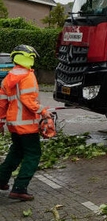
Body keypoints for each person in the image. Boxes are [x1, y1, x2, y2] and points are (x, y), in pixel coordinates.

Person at [0, 45, 50, 201]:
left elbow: (2, 103)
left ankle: (1, 180)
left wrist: (0, 122)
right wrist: (44, 111)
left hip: (13, 124)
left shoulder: (8, 77)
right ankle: (20, 188)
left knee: (16, 152)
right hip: (27, 125)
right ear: (28, 57)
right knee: (33, 154)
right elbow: (29, 100)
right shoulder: (28, 76)